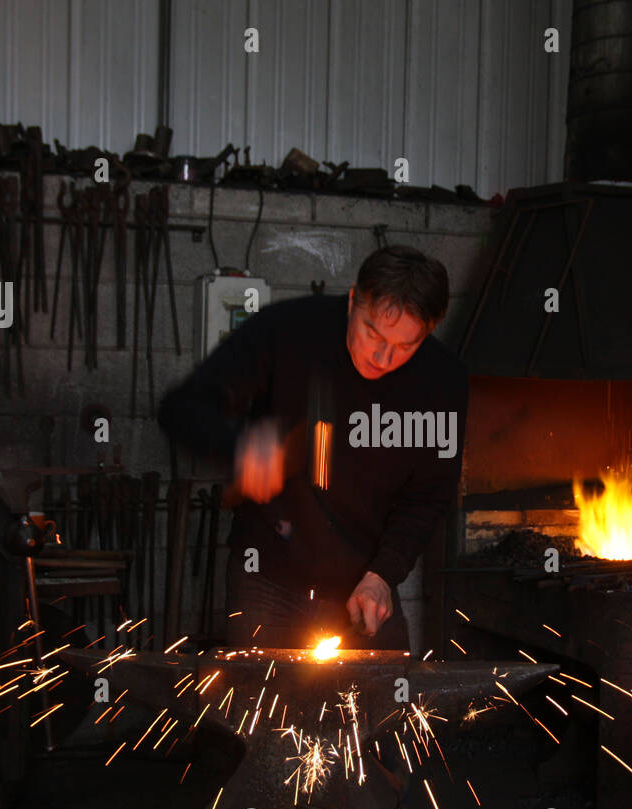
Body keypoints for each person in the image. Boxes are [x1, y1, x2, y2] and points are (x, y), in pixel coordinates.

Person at [157, 245, 468, 652]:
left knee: (385, 709)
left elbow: (429, 497)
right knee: (259, 710)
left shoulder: (443, 382)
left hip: (364, 587)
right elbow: (181, 407)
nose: (382, 355)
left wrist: (383, 576)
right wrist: (240, 449)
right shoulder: (287, 331)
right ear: (354, 298)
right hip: (268, 579)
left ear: (428, 330)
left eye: (404, 346)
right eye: (372, 331)